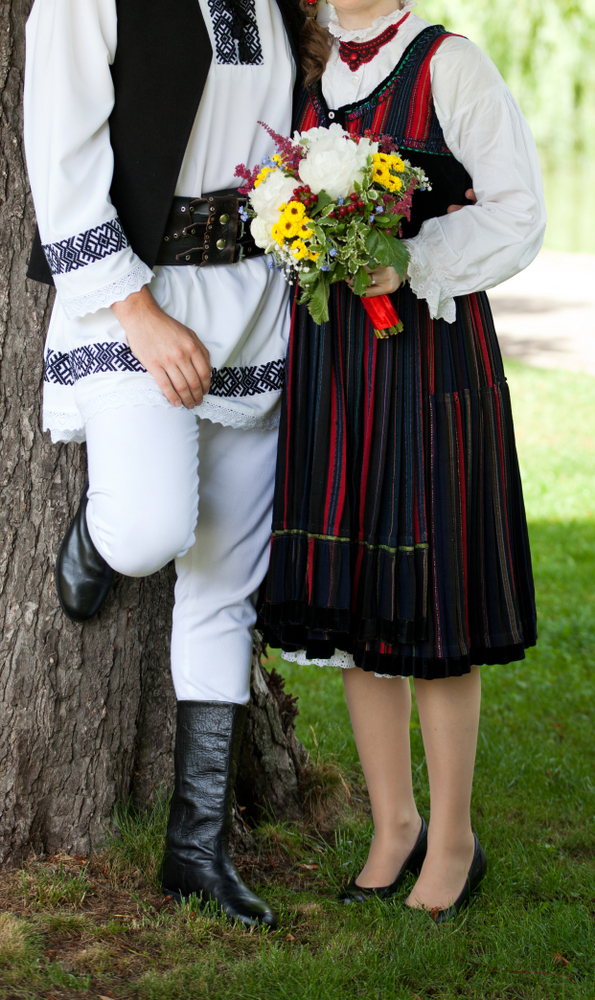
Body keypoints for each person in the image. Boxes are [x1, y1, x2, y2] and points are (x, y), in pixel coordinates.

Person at [261, 0, 545, 920]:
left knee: (431, 601)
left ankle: (453, 839)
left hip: (427, 356)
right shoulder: (307, 65)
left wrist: (409, 258)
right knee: (357, 598)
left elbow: (518, 211)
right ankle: (394, 826)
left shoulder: (447, 63)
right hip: (334, 359)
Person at [23, 0, 304, 928]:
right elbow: (61, 150)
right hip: (134, 299)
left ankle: (195, 852)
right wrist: (137, 312)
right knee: (150, 529)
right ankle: (103, 536)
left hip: (253, 304)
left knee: (223, 585)